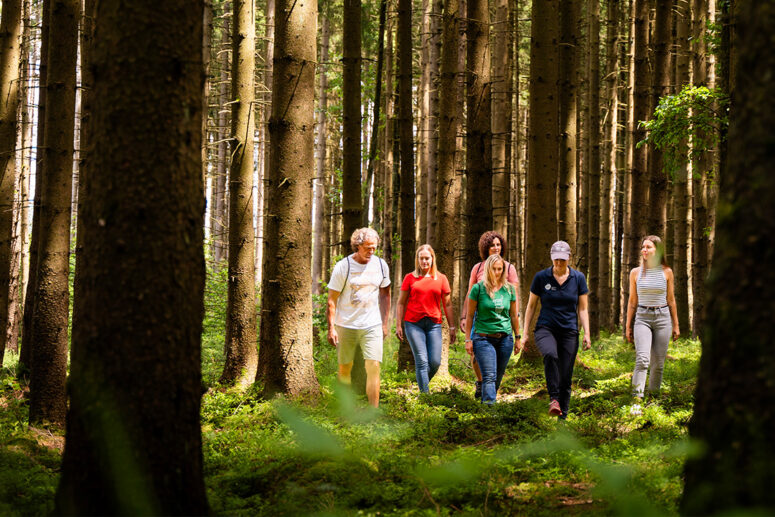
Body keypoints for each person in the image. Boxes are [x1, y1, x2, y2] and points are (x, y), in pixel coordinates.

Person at [520, 241, 591, 419]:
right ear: (551, 258)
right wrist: (525, 333)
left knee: (566, 376)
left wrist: (587, 334)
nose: (559, 263)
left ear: (569, 259)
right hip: (546, 328)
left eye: (562, 260)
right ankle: (554, 399)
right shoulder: (541, 277)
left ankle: (563, 418)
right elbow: (530, 307)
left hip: (569, 331)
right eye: (556, 260)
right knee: (550, 355)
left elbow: (582, 309)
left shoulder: (578, 278)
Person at [327, 228, 391, 407]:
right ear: (357, 246)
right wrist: (331, 327)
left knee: (374, 367)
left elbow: (386, 294)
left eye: (374, 248)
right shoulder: (343, 266)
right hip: (345, 324)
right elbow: (332, 299)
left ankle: (374, 411)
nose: (371, 251)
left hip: (372, 324)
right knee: (344, 368)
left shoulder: (380, 265)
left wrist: (384, 324)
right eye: (368, 248)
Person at [460, 231, 519, 399]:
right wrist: (464, 317)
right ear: (485, 248)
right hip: (481, 319)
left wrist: (517, 330)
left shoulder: (509, 268)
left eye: (498, 244)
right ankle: (482, 383)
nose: (495, 248)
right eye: (492, 245)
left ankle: (487, 388)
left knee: (494, 375)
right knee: (476, 357)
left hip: (502, 321)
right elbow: (470, 294)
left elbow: (514, 298)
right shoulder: (478, 268)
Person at [625, 235, 680, 416]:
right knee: (642, 359)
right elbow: (632, 302)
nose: (644, 250)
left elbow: (671, 300)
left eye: (648, 247)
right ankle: (636, 401)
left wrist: (676, 325)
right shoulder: (635, 272)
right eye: (643, 247)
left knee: (658, 363)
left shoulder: (667, 272)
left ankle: (653, 400)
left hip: (663, 317)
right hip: (642, 317)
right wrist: (628, 326)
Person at [395, 245, 456, 393]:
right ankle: (425, 397)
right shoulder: (410, 278)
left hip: (434, 324)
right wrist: (398, 325)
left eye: (427, 258)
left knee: (435, 362)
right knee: (422, 361)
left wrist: (452, 327)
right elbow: (401, 302)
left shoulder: (441, 279)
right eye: (421, 258)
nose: (424, 261)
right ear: (417, 260)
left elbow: (447, 304)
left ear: (432, 259)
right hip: (413, 324)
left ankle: (422, 385)